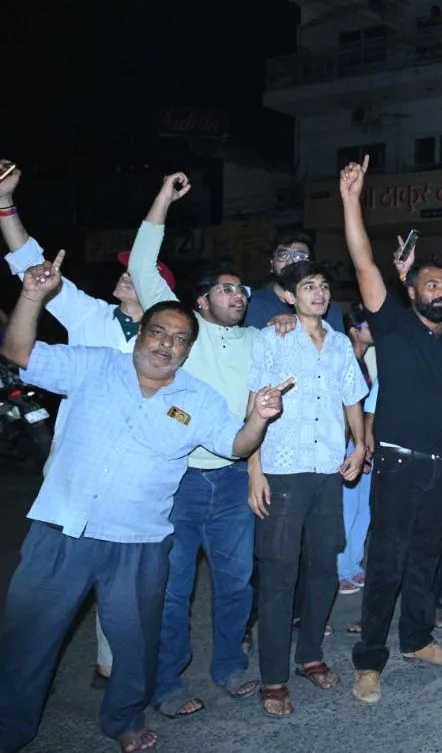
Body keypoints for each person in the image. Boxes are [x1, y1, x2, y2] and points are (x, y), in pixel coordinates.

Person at [0, 255, 285, 753]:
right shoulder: (94, 365)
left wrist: (259, 416)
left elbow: (236, 445)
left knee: (135, 644)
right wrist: (30, 295)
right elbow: (19, 351)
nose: (166, 344)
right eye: (158, 332)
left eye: (179, 339)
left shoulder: (198, 399)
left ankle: (124, 719)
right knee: (29, 636)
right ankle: (10, 727)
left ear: (188, 350)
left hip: (138, 541)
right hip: (62, 529)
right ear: (141, 334)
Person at [0, 162, 176, 687]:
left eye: (135, 272)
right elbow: (33, 268)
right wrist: (5, 205)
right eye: (124, 268)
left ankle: (113, 673)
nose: (124, 273)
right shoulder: (91, 317)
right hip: (74, 479)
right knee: (45, 598)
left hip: (135, 487)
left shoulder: (177, 348)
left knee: (123, 592)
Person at [339, 155, 442, 706]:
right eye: (431, 283)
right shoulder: (392, 324)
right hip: (396, 460)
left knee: (426, 556)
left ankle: (417, 640)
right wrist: (352, 200)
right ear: (412, 291)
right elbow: (363, 261)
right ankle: (369, 661)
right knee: (387, 562)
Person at [129, 175, 262, 717]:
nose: (239, 296)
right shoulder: (185, 331)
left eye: (242, 289)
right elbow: (143, 266)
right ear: (202, 301)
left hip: (233, 480)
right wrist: (162, 198)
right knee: (173, 588)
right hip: (179, 479)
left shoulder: (259, 339)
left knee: (236, 582)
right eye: (227, 289)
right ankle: (167, 683)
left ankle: (230, 665)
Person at [246, 263, 369, 716]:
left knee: (322, 569)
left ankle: (310, 655)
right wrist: (254, 470)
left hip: (326, 471)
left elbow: (352, 398)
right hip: (281, 469)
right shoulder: (271, 338)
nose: (319, 293)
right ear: (289, 296)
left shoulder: (339, 344)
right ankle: (273, 677)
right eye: (308, 287)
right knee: (279, 574)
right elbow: (254, 401)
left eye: (323, 286)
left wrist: (360, 446)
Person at [337, 304, 376, 595]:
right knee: (347, 509)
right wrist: (347, 450)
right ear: (354, 331)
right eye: (368, 325)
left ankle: (352, 564)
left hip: (362, 441)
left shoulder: (362, 361)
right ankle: (339, 570)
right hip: (347, 444)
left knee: (364, 507)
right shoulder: (344, 360)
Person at [244, 231, 344, 332]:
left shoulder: (324, 305)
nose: (290, 262)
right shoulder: (250, 304)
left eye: (299, 256)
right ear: (271, 264)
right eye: (283, 255)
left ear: (310, 266)